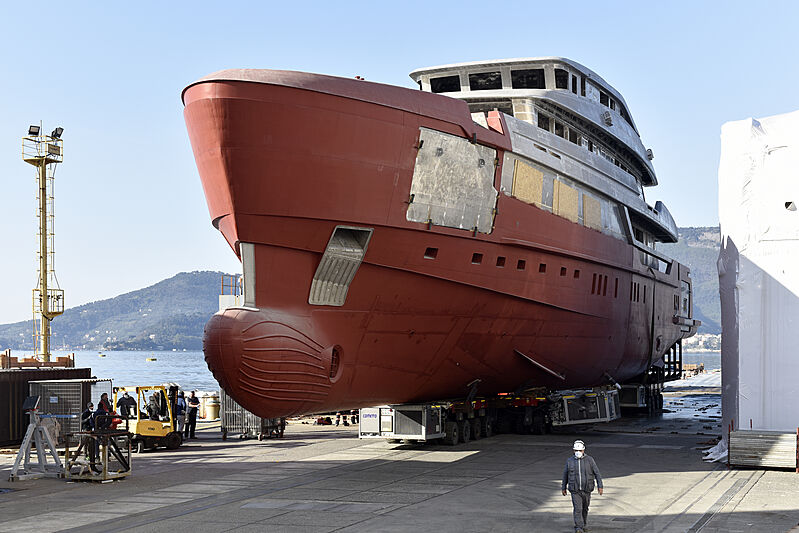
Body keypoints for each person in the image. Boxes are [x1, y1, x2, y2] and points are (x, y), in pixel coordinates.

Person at [562, 440, 603, 533]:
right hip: (575, 490)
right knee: (578, 509)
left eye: (580, 450)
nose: (578, 452)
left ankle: (584, 524)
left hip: (586, 489)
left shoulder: (590, 460)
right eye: (576, 450)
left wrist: (600, 486)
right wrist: (563, 487)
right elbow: (565, 475)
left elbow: (597, 473)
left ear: (583, 450)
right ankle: (578, 527)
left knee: (585, 508)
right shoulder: (569, 461)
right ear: (573, 450)